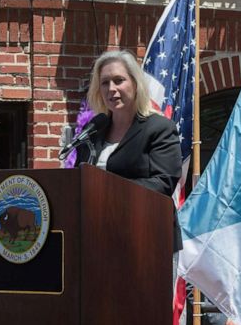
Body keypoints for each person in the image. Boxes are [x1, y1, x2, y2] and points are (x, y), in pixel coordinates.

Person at [74, 50, 183, 247]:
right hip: (98, 237)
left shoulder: (159, 129)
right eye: (105, 82)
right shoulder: (92, 131)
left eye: (119, 80)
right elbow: (77, 181)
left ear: (135, 83)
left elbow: (163, 183)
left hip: (147, 240)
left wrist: (108, 191)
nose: (111, 89)